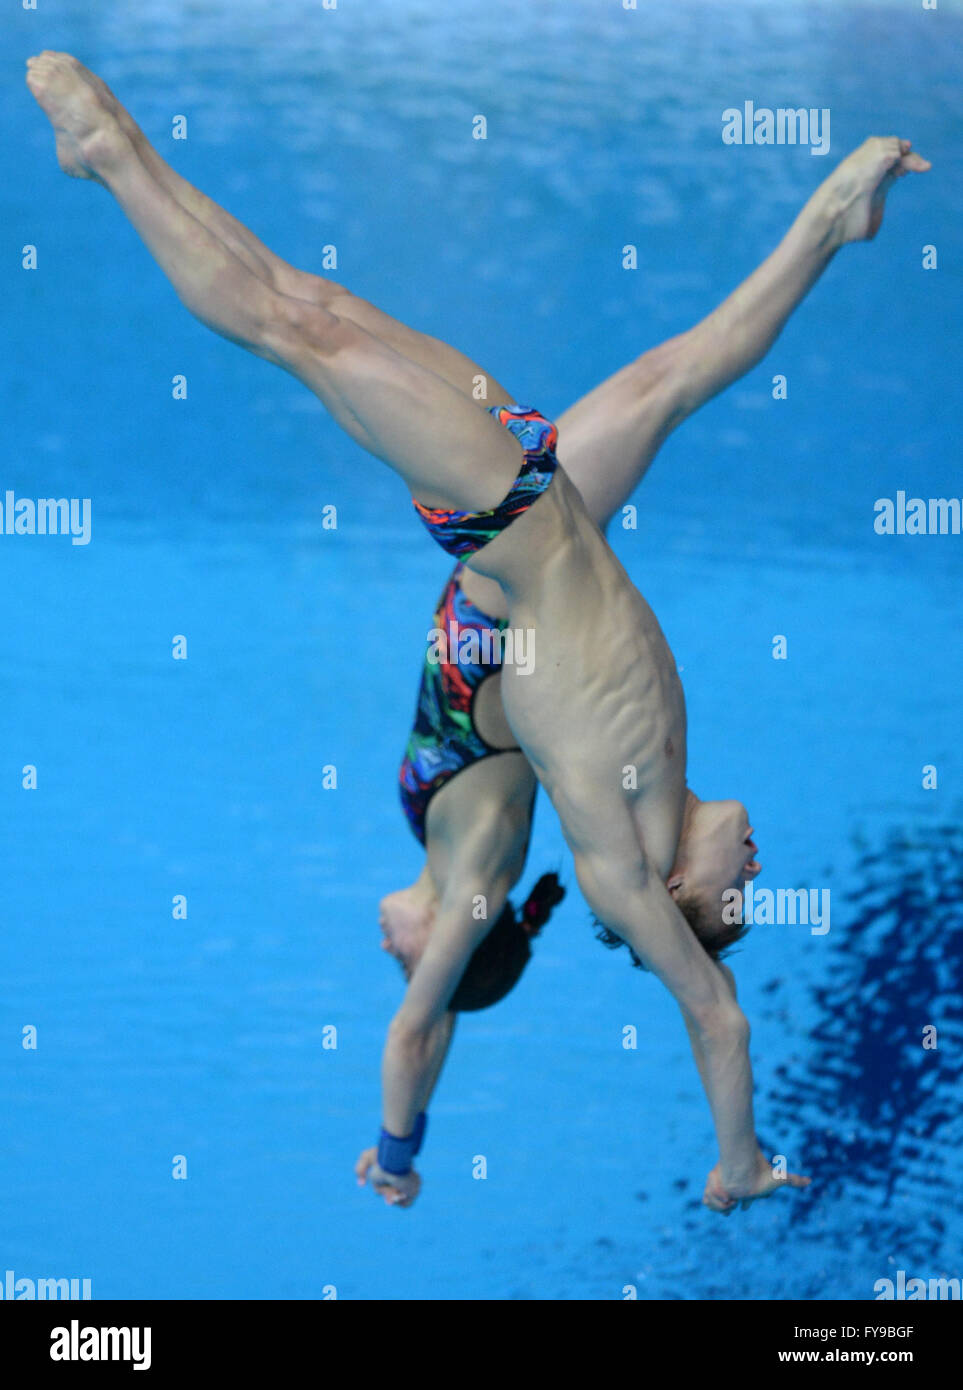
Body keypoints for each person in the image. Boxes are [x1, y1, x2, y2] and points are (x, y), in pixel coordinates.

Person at [26, 50, 930, 1215]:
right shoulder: (663, 782)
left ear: (682, 903)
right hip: (544, 490)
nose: (754, 871)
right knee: (651, 371)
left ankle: (108, 157)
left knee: (293, 327)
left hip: (507, 515)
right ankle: (830, 219)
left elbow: (709, 1012)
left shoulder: (620, 864)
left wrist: (735, 1159)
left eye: (737, 895)